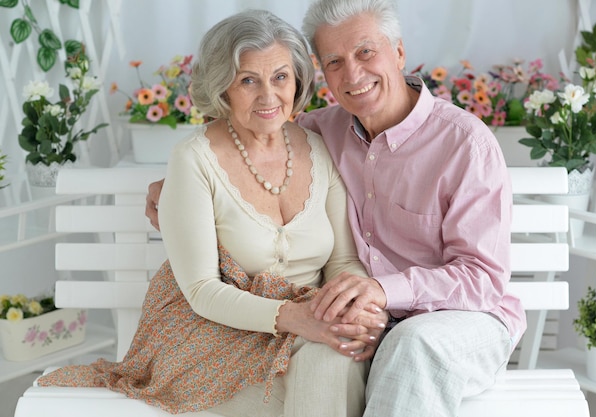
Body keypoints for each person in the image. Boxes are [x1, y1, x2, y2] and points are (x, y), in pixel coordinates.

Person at [146, 1, 526, 416]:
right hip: (359, 321)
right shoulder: (320, 132)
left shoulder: (464, 144)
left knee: (410, 346)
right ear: (321, 72)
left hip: (461, 320)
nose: (354, 74)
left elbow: (483, 279)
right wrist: (175, 191)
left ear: (398, 52)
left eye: (366, 52)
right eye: (335, 61)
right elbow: (243, 153)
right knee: (337, 359)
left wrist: (383, 290)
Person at [39, 9, 388, 417]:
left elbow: (344, 260)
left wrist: (357, 305)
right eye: (248, 81)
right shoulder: (194, 158)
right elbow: (203, 290)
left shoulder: (317, 147)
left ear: (297, 79)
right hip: (219, 334)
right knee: (333, 362)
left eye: (280, 77)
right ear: (222, 87)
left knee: (337, 353)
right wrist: (299, 319)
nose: (268, 96)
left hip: (309, 327)